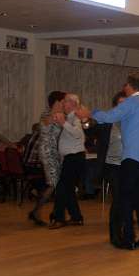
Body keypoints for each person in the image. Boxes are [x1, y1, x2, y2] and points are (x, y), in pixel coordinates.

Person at [88, 75, 139, 250]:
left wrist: (91, 113)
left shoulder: (132, 102)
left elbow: (110, 116)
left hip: (133, 157)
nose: (124, 88)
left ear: (130, 86)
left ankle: (129, 238)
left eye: (125, 85)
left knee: (125, 199)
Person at [95, 91, 127, 248]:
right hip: (112, 165)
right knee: (118, 199)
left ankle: (124, 231)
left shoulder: (132, 122)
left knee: (125, 200)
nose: (123, 106)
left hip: (128, 165)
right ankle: (115, 235)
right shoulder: (108, 122)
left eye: (125, 103)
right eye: (120, 104)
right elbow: (91, 129)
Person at [49, 93, 86, 229]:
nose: (63, 103)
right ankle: (76, 217)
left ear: (73, 104)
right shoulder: (70, 117)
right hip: (72, 158)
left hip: (74, 158)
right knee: (68, 189)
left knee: (62, 188)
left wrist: (63, 123)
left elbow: (78, 134)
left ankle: (59, 218)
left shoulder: (75, 117)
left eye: (65, 101)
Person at [29, 91, 66, 226]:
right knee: (53, 184)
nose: (65, 104)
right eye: (63, 101)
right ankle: (37, 212)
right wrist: (60, 117)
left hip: (56, 153)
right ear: (57, 102)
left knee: (56, 184)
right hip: (48, 152)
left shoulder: (62, 115)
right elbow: (49, 121)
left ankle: (51, 212)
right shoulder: (46, 114)